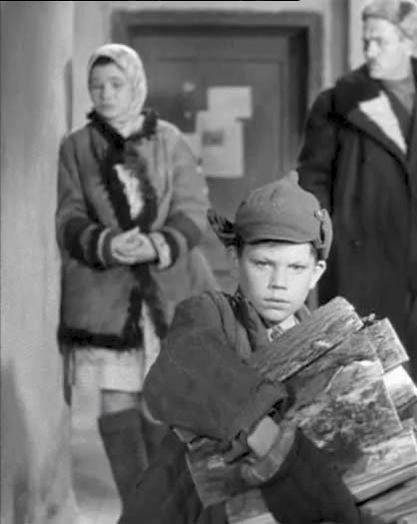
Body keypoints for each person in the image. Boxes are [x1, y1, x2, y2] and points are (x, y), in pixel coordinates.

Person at [296, 0, 417, 518]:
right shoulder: (338, 102)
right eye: (366, 40)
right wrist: (320, 244)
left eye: (380, 39)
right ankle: (373, 498)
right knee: (368, 374)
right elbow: (313, 181)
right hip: (366, 261)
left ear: (409, 40)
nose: (370, 50)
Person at [119, 174, 373, 524]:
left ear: (316, 273)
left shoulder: (330, 345)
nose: (279, 283)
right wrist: (268, 436)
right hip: (195, 507)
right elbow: (184, 367)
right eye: (263, 264)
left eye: (296, 267)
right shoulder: (208, 313)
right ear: (234, 258)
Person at [55, 43, 217, 507]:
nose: (105, 93)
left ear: (137, 85)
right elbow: (68, 215)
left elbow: (193, 206)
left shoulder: (169, 140)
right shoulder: (77, 147)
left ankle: (166, 502)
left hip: (166, 291)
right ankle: (139, 507)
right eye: (96, 86)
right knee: (116, 395)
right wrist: (106, 243)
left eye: (116, 84)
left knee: (162, 397)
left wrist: (159, 243)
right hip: (105, 294)